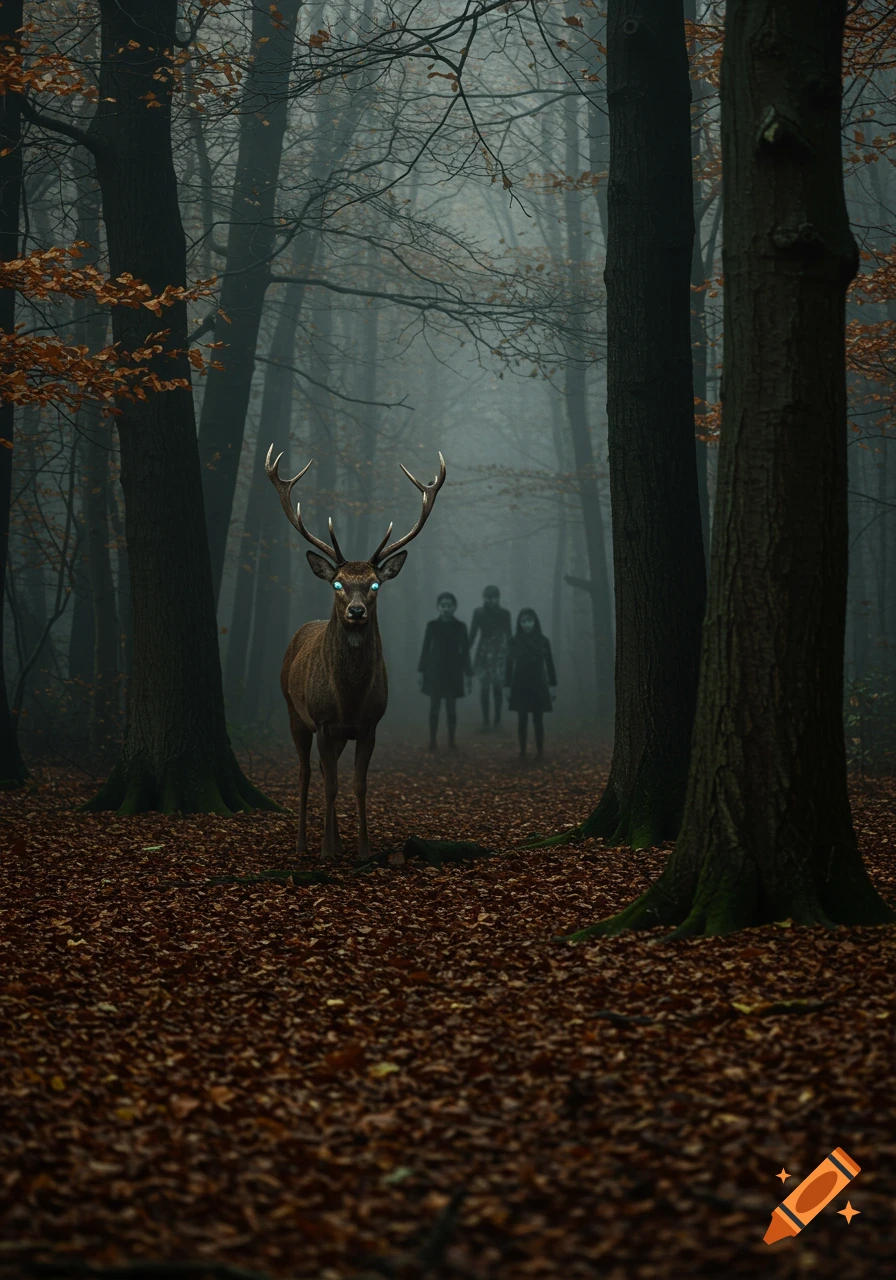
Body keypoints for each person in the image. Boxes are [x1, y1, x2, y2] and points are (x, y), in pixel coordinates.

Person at [417, 592, 473, 750]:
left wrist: (468, 673)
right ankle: (433, 741)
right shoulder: (432, 626)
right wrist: (421, 671)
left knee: (451, 708)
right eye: (443, 605)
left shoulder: (460, 627)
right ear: (438, 607)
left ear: (454, 607)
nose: (446, 608)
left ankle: (451, 741)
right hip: (434, 670)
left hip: (454, 671)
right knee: (434, 707)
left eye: (449, 605)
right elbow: (426, 649)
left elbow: (465, 652)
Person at [505, 608, 557, 761]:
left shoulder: (543, 641)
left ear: (535, 622)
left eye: (529, 621)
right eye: (523, 621)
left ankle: (540, 751)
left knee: (538, 719)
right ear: (519, 623)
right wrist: (506, 686)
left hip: (538, 683)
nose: (526, 624)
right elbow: (508, 665)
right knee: (522, 719)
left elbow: (550, 664)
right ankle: (522, 752)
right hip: (520, 683)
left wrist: (553, 686)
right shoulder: (514, 641)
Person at [468, 585, 512, 730]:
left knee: (498, 688)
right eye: (488, 597)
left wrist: (512, 654)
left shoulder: (505, 614)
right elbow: (473, 634)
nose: (491, 600)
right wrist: (463, 651)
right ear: (484, 598)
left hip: (499, 652)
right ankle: (486, 722)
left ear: (498, 598)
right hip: (483, 652)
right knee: (485, 688)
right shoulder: (478, 613)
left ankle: (497, 722)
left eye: (493, 597)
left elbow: (509, 635)